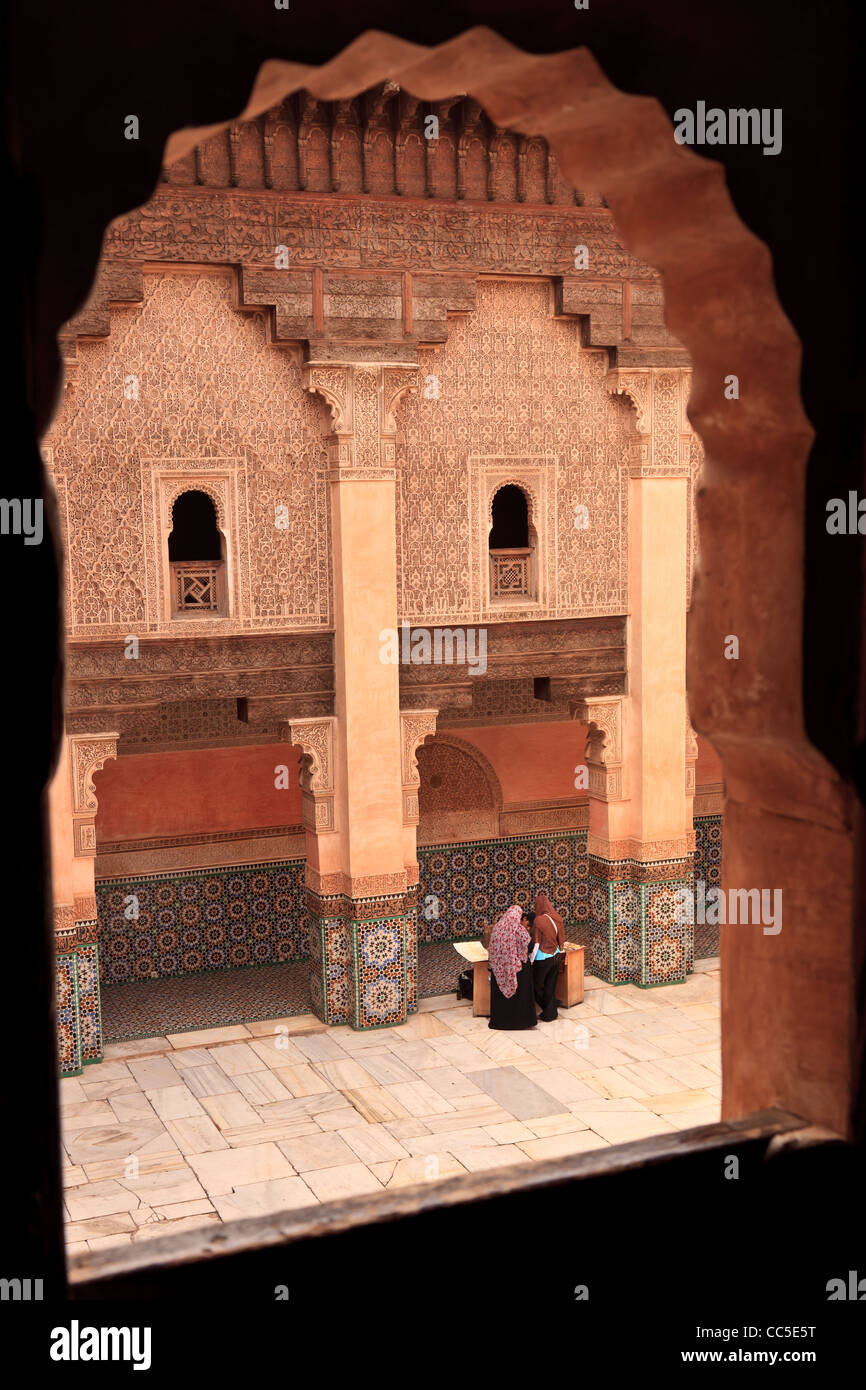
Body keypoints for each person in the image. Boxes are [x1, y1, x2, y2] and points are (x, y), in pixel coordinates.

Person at [487, 904, 537, 1031]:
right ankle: (520, 1022)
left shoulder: (497, 927)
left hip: (498, 968)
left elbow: (491, 946)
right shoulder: (518, 928)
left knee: (500, 997)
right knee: (521, 993)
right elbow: (529, 945)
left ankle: (500, 1022)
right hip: (515, 967)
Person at [530, 890, 566, 1022]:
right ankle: (550, 1012)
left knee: (534, 985)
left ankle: (548, 1010)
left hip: (542, 958)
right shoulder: (557, 918)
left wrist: (531, 960)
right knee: (550, 985)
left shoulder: (538, 921)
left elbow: (536, 943)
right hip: (556, 956)